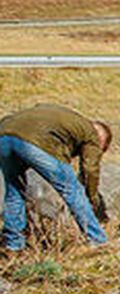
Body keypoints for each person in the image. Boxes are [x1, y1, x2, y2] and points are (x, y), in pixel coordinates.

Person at [0, 103, 112, 251]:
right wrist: (91, 198)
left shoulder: (67, 120)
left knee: (14, 190)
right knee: (72, 190)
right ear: (101, 139)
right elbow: (90, 169)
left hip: (4, 135)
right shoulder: (91, 133)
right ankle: (97, 240)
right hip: (36, 140)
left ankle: (13, 244)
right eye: (100, 149)